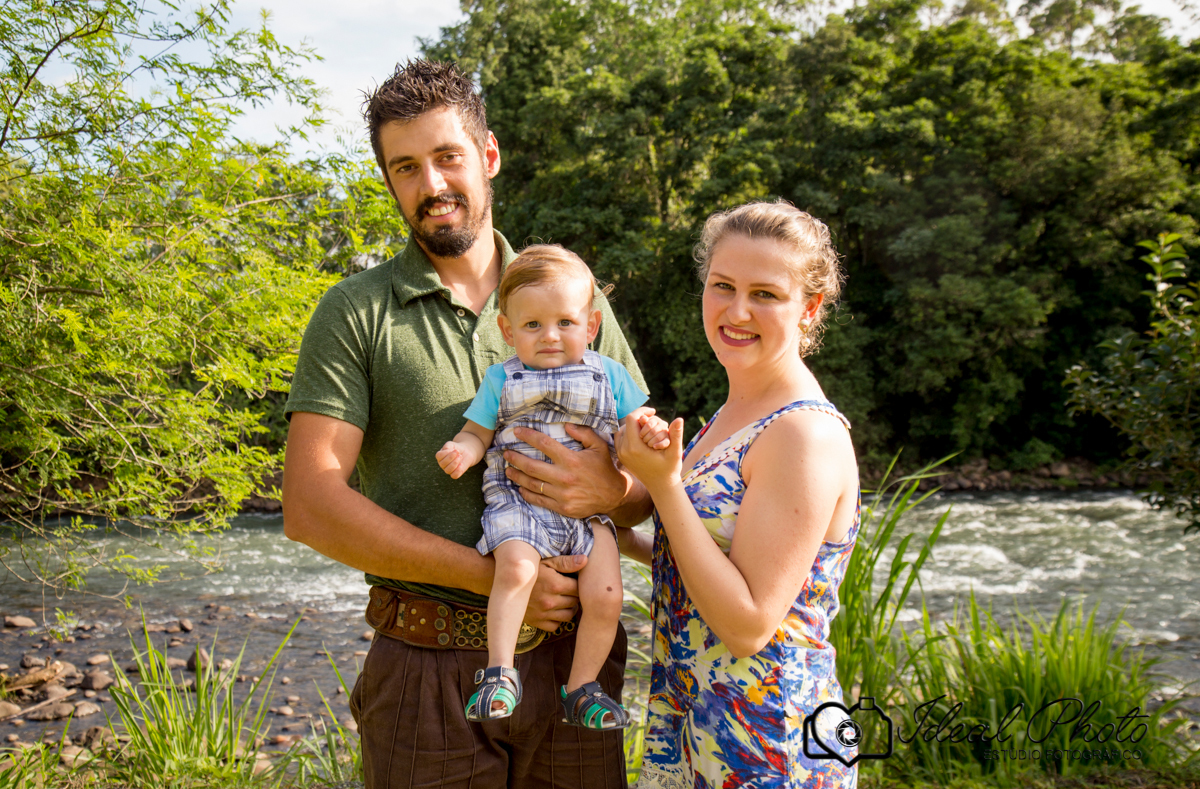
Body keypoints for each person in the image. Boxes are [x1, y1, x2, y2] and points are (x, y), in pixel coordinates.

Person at [281, 60, 652, 788]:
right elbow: (309, 503)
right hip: (425, 674)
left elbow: (649, 485)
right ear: (389, 180)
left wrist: (608, 488)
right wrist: (489, 577)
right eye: (406, 167)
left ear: (488, 155)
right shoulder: (355, 312)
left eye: (447, 157)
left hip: (577, 661)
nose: (431, 185)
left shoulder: (568, 294)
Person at [615, 201, 861, 789]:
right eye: (722, 286)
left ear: (810, 308)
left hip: (769, 738)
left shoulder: (804, 433)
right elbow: (720, 566)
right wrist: (621, 537)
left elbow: (749, 623)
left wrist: (664, 484)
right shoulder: (734, 413)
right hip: (697, 719)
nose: (737, 310)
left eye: (766, 294)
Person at [436, 244, 670, 728]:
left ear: (591, 326)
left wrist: (650, 430)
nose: (550, 336)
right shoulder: (501, 378)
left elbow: (634, 424)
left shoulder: (611, 374)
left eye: (565, 323)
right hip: (520, 504)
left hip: (590, 511)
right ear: (507, 331)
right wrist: (464, 451)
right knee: (517, 571)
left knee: (607, 594)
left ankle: (583, 687)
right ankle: (499, 672)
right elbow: (477, 432)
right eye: (532, 325)